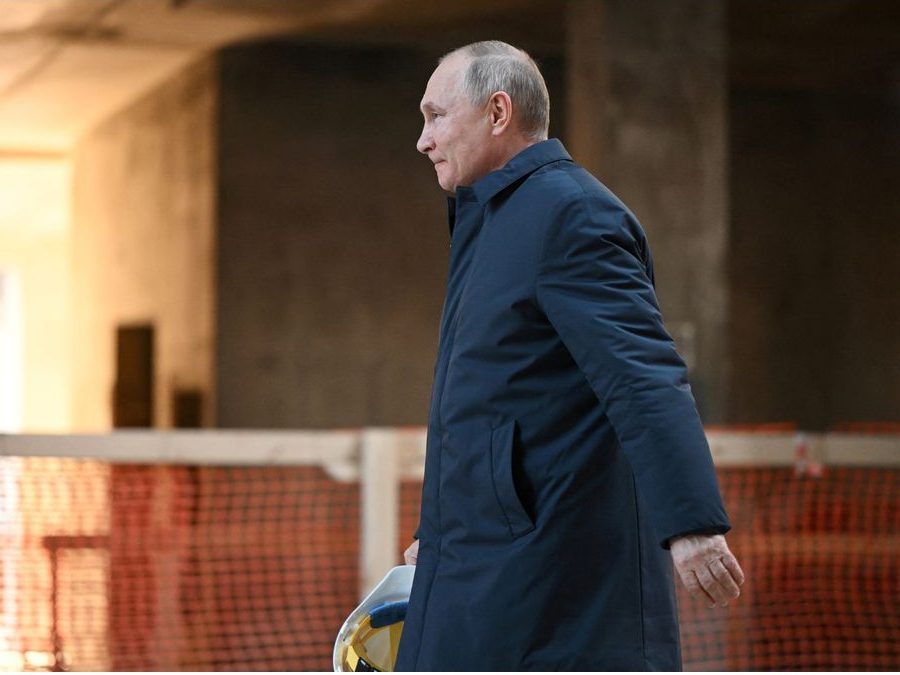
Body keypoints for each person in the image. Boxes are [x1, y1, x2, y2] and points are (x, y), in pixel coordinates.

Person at [395, 40, 745, 671]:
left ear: (498, 112)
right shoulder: (489, 219)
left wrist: (691, 522)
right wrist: (437, 530)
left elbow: (642, 377)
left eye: (435, 116)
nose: (423, 139)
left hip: (548, 570)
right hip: (482, 552)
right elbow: (496, 401)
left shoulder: (570, 215)